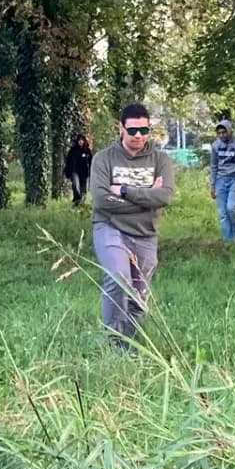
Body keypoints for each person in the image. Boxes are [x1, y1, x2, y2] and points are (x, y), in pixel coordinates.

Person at [89, 103, 177, 347]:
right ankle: (113, 343)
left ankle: (130, 344)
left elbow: (165, 197)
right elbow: (101, 201)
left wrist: (125, 190)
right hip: (109, 226)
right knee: (118, 278)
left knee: (139, 296)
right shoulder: (103, 159)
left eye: (144, 130)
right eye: (133, 130)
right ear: (121, 128)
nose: (138, 136)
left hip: (145, 234)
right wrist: (147, 198)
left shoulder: (161, 160)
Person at [208, 115, 235, 244]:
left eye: (224, 132)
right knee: (223, 213)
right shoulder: (216, 146)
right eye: (219, 133)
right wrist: (212, 185)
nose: (222, 135)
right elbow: (214, 166)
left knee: (231, 208)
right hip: (220, 180)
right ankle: (228, 242)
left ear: (230, 131)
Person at [62, 132, 94, 207]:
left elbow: (91, 162)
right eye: (79, 140)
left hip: (85, 173)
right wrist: (67, 171)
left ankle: (81, 203)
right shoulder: (73, 150)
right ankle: (77, 200)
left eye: (82, 140)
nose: (80, 142)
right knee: (76, 186)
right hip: (75, 171)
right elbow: (69, 161)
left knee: (84, 189)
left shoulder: (87, 151)